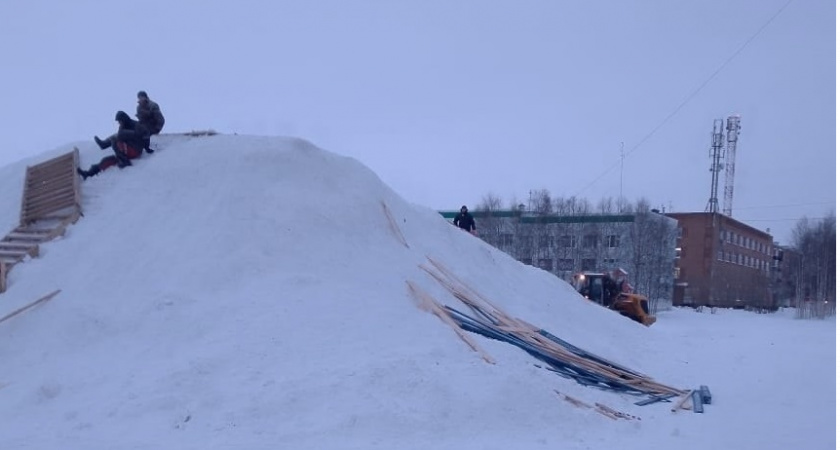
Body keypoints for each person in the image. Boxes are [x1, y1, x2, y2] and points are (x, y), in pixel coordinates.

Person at [77, 111, 148, 180]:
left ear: (124, 119)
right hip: (126, 151)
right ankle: (88, 174)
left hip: (135, 149)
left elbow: (145, 134)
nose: (119, 123)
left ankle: (124, 161)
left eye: (120, 121)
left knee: (116, 138)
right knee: (106, 160)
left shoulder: (135, 125)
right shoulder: (122, 127)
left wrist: (147, 147)